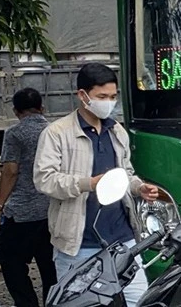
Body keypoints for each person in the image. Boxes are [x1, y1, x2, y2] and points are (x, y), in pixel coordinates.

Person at [33, 62, 160, 307]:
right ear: (83, 96)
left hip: (123, 241)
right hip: (78, 244)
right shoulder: (56, 133)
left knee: (139, 301)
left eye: (112, 97)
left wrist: (138, 187)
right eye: (102, 97)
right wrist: (88, 183)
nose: (108, 102)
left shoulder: (117, 131)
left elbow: (125, 173)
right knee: (80, 303)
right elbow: (44, 180)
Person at [0, 88, 58, 307]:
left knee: (10, 259)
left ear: (16, 111)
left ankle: (27, 303)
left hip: (23, 212)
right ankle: (54, 303)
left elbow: (10, 171)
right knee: (50, 266)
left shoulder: (15, 133)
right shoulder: (55, 131)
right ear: (42, 108)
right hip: (52, 210)